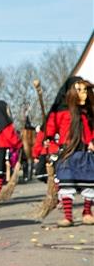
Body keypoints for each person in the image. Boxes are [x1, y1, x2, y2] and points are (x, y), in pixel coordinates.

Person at [43, 77, 94, 226]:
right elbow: (51, 128)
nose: (83, 94)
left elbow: (89, 130)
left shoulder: (86, 112)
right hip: (67, 153)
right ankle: (68, 216)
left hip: (84, 153)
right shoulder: (60, 112)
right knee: (67, 184)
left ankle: (87, 212)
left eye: (85, 90)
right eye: (79, 90)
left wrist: (91, 141)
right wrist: (48, 137)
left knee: (89, 183)